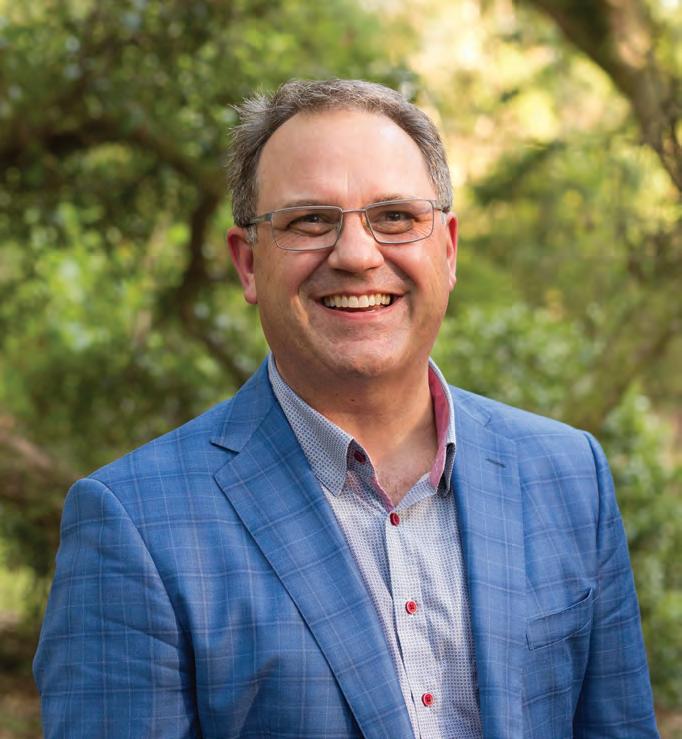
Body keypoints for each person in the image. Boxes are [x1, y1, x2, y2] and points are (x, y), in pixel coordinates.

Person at [33, 79, 658, 738]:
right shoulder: (134, 523)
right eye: (309, 220)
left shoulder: (568, 474)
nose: (357, 255)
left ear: (447, 249)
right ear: (247, 264)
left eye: (395, 217)